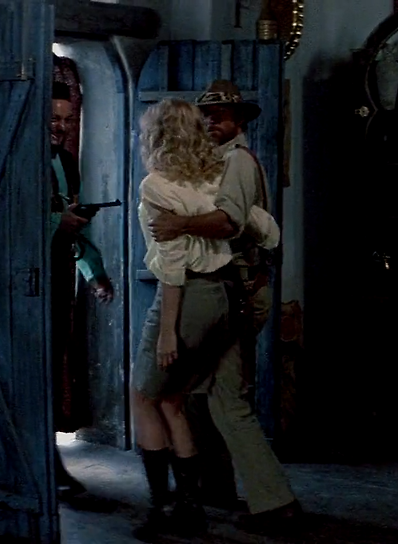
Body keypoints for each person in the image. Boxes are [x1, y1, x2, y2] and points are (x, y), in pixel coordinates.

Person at [148, 79, 303, 533]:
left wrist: (178, 224)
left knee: (226, 399)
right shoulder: (214, 163)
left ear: (238, 121)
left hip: (238, 291)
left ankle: (276, 503)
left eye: (222, 115)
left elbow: (228, 223)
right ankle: (216, 487)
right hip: (227, 290)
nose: (212, 122)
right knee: (204, 394)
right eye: (207, 116)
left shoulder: (236, 161)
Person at [49, 80, 114, 499]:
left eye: (67, 119)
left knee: (52, 367)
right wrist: (56, 222)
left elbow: (73, 222)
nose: (61, 126)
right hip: (20, 279)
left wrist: (94, 272)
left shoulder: (67, 161)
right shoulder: (17, 157)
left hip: (58, 276)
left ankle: (49, 465)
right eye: (53, 118)